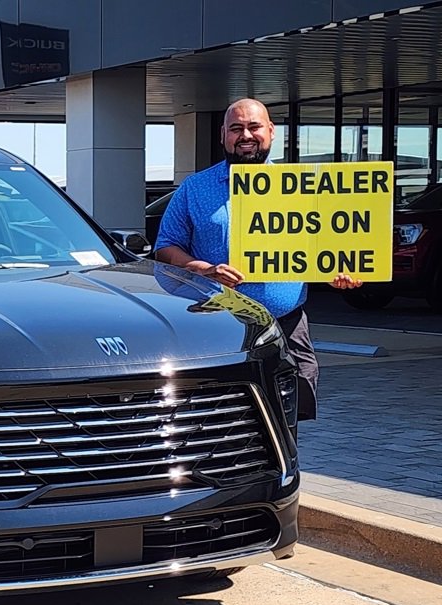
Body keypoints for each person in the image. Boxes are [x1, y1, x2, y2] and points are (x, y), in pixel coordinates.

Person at [154, 98, 362, 420]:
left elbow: (328, 247)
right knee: (216, 418)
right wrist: (203, 268)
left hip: (287, 325)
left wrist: (342, 271)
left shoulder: (303, 189)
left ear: (271, 132)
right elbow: (166, 247)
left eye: (254, 127)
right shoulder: (196, 188)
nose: (245, 135)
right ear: (223, 135)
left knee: (287, 421)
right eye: (236, 128)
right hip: (216, 325)